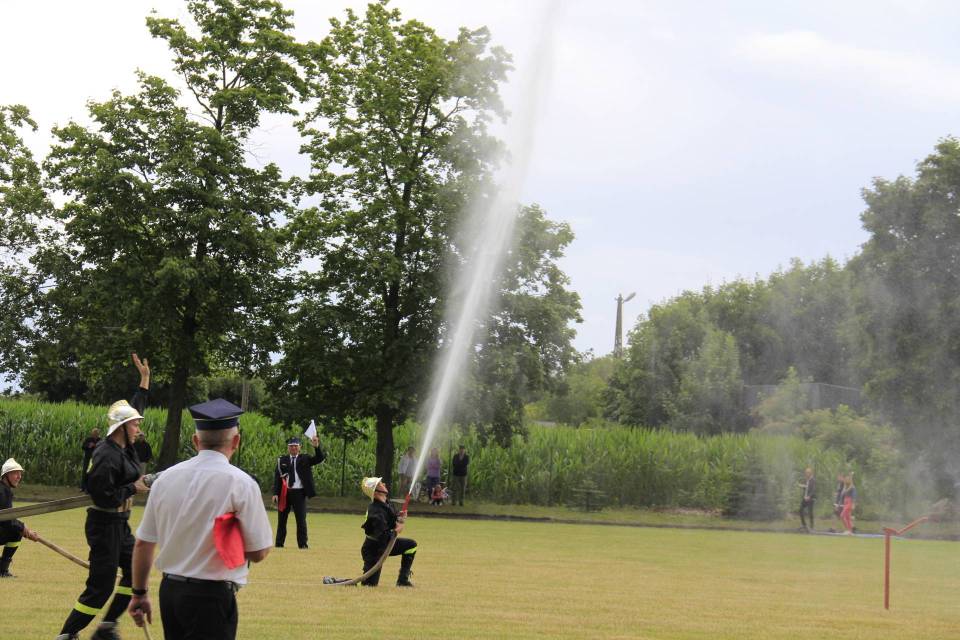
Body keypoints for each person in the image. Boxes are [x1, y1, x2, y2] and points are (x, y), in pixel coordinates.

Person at [127, 398, 272, 640]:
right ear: (236, 441)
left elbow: (143, 543)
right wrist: (230, 538)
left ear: (195, 441)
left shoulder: (165, 479)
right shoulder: (241, 483)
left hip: (170, 592)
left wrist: (139, 593)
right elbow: (258, 552)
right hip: (212, 596)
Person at [56, 353, 150, 640]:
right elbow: (103, 497)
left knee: (135, 575)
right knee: (100, 588)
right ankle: (66, 635)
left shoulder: (125, 446)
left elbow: (134, 409)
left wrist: (144, 381)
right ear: (122, 428)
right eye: (134, 425)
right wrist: (134, 488)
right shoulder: (106, 455)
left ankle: (107, 627)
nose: (139, 428)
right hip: (103, 524)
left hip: (120, 524)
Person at [359, 477, 417, 587]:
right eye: (380, 484)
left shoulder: (386, 503)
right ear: (376, 492)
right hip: (374, 550)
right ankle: (337, 581)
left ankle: (402, 581)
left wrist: (399, 517)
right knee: (368, 585)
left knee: (411, 545)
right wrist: (397, 530)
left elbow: (390, 520)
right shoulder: (375, 511)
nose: (384, 484)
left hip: (385, 544)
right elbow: (382, 535)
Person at [271, 434, 325, 549]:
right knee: (282, 520)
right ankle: (279, 543)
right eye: (291, 446)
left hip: (299, 493)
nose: (293, 448)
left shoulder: (305, 458)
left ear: (300, 447)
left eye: (296, 446)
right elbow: (277, 478)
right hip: (285, 493)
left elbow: (319, 459)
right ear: (288, 448)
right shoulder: (282, 460)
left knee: (301, 520)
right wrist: (275, 493)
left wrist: (316, 446)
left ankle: (302, 544)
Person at [0, 458, 39, 578]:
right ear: (6, 475)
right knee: (16, 531)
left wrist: (23, 528)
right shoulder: (2, 492)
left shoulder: (4, 490)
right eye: (15, 473)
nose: (19, 477)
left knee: (16, 531)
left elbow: (7, 518)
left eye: (20, 474)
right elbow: (6, 519)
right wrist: (23, 529)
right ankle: (2, 570)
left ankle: (2, 569)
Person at [798, 467, 815, 532]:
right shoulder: (806, 480)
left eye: (807, 472)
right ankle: (804, 525)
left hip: (810, 499)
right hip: (805, 498)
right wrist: (802, 486)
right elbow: (806, 488)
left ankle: (812, 527)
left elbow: (813, 490)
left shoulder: (813, 480)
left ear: (810, 473)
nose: (806, 474)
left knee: (810, 512)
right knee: (800, 510)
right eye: (806, 472)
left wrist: (809, 496)